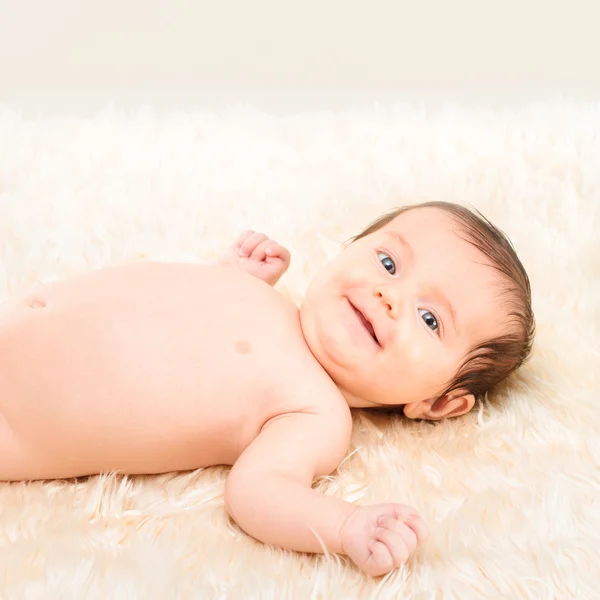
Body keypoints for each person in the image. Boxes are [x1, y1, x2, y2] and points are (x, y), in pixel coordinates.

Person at [0, 201, 535, 576]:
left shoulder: (316, 412)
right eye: (389, 262)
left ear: (440, 403)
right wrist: (229, 273)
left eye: (429, 318)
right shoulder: (271, 300)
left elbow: (256, 493)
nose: (388, 294)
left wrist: (346, 527)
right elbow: (174, 315)